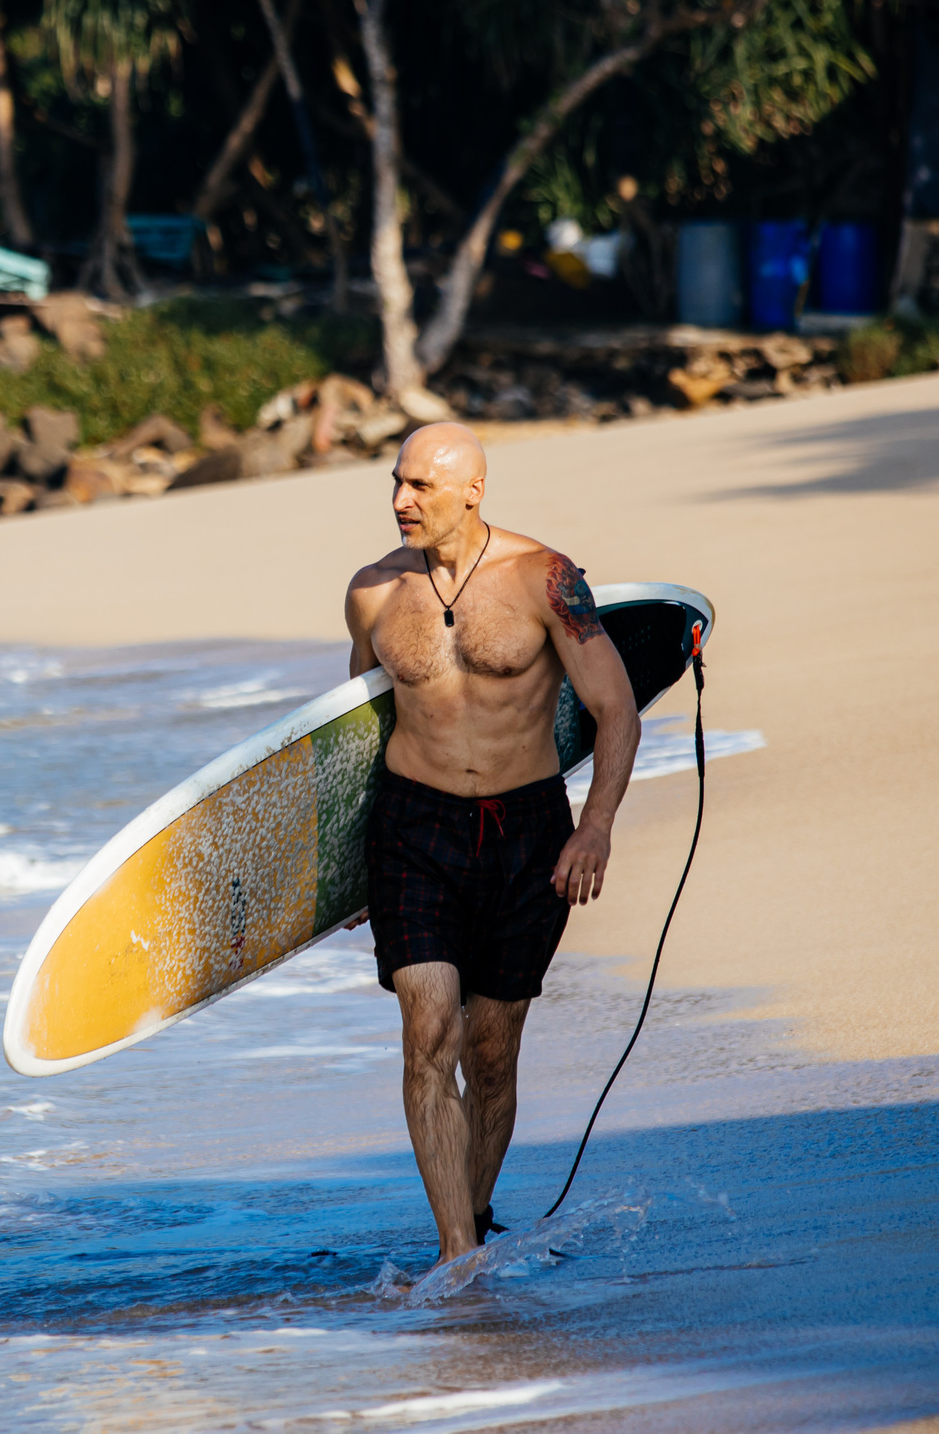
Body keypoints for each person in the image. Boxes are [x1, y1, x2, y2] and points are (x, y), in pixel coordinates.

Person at [344, 422, 639, 1267]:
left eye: (420, 488)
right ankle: (457, 1254)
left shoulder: (545, 578)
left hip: (527, 832)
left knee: (492, 1049)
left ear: (472, 491)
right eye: (396, 483)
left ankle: (472, 1207)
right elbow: (350, 734)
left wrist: (596, 825)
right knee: (428, 1027)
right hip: (412, 829)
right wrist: (340, 872)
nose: (401, 501)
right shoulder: (372, 593)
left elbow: (616, 708)